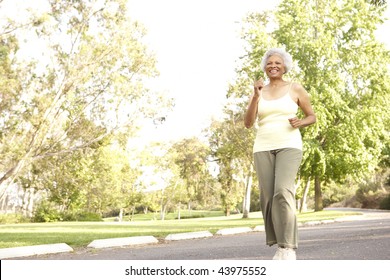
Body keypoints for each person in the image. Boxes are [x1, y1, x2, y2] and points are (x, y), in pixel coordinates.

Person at [244, 48, 316, 260]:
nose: (273, 66)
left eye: (277, 63)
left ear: (284, 66)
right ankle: (279, 245)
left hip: (289, 144)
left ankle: (288, 247)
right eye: (269, 63)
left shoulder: (295, 88)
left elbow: (312, 116)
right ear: (264, 68)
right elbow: (248, 124)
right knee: (268, 197)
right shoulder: (259, 91)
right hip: (263, 146)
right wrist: (255, 97)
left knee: (283, 191)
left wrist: (301, 122)